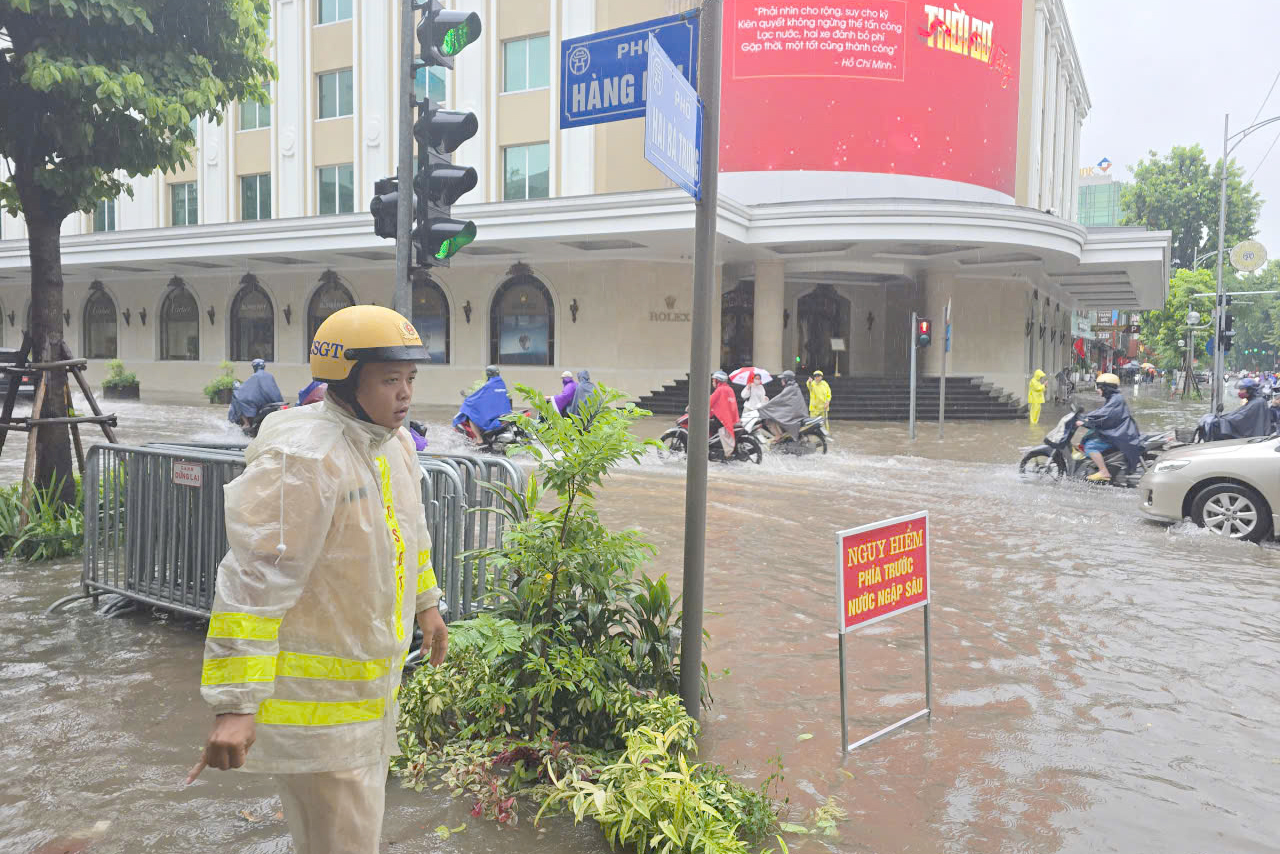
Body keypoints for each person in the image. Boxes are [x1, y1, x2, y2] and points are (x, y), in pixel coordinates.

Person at [188, 305, 448, 853]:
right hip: (320, 711)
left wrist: (427, 602)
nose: (405, 393)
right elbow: (254, 584)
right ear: (346, 380)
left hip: (369, 700)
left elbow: (409, 529)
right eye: (389, 379)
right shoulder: (306, 458)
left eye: (409, 378)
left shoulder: (392, 444)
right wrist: (235, 704)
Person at [1080, 372, 1143, 482]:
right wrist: (1086, 417)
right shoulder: (1114, 398)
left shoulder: (1116, 399)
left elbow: (1105, 414)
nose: (1097, 390)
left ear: (1106, 388)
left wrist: (1086, 420)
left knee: (1090, 445)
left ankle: (1104, 472)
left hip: (1121, 433)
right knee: (1089, 437)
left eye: (1099, 387)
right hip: (1121, 430)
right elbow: (1102, 412)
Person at [453, 365, 513, 444]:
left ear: (488, 374)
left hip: (493, 414)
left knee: (471, 416)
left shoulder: (489, 385)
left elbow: (479, 396)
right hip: (502, 411)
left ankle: (479, 439)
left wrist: (468, 400)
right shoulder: (501, 383)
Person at [756, 370, 809, 445]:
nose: (781, 381)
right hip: (797, 412)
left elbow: (779, 399)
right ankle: (781, 436)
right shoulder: (793, 386)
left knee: (769, 419)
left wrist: (766, 406)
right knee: (775, 415)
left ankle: (778, 435)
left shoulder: (790, 388)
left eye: (783, 379)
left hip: (794, 414)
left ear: (787, 379)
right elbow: (781, 400)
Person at [227, 358, 284, 428]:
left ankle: (246, 423)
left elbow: (245, 389)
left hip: (261, 402)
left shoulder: (255, 376)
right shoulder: (270, 376)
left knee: (237, 398)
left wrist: (237, 390)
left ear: (254, 367)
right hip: (272, 401)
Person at [709, 370, 739, 458]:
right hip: (731, 418)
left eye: (713, 380)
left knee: (706, 426)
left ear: (718, 380)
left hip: (722, 419)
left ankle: (720, 451)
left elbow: (709, 401)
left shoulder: (720, 390)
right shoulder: (729, 389)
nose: (712, 382)